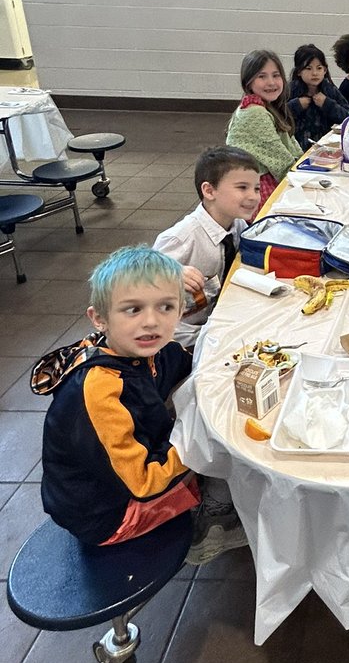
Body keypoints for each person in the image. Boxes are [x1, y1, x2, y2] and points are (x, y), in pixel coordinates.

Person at [35, 246, 247, 563]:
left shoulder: (143, 348)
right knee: (225, 439)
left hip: (114, 483)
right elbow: (144, 482)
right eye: (133, 310)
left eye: (165, 307)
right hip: (108, 515)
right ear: (99, 319)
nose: (151, 322)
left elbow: (183, 363)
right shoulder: (100, 392)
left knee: (211, 414)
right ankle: (209, 525)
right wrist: (198, 440)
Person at [153, 146, 260, 348]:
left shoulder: (236, 223)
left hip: (217, 318)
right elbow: (135, 284)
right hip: (179, 338)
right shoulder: (181, 239)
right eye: (242, 188)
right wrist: (167, 271)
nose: (254, 196)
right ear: (209, 191)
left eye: (256, 188)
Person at [225, 50, 302, 212]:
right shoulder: (255, 112)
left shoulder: (268, 107)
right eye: (262, 76)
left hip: (260, 182)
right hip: (254, 189)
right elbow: (281, 162)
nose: (271, 82)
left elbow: (292, 146)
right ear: (248, 82)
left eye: (276, 75)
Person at [287, 43, 349, 149]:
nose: (314, 73)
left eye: (319, 68)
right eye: (308, 68)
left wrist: (327, 104)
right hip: (297, 150)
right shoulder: (290, 90)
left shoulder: (329, 89)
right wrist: (296, 105)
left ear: (324, 70)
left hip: (327, 148)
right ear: (299, 72)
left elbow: (347, 117)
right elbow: (278, 117)